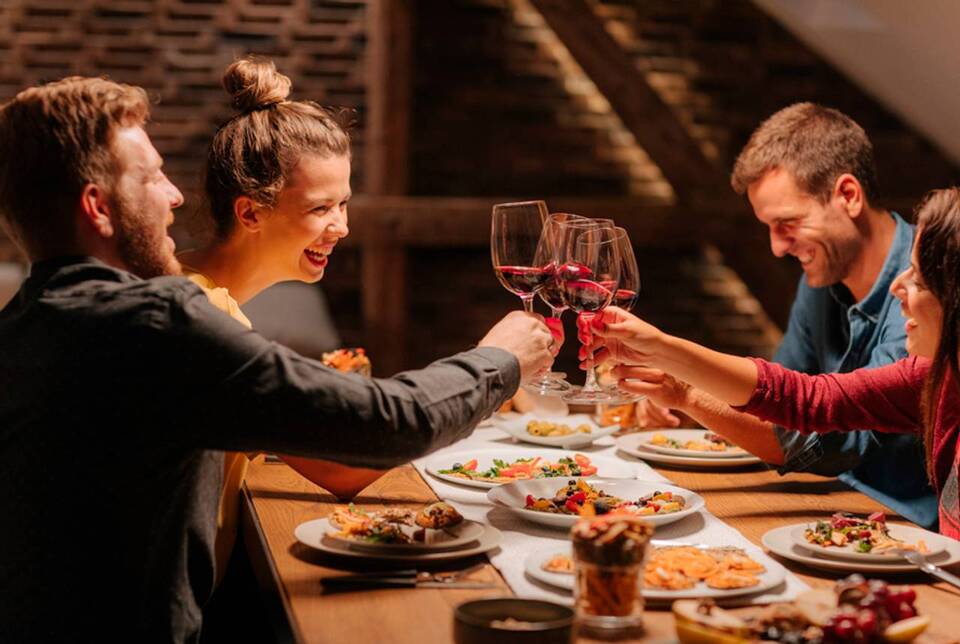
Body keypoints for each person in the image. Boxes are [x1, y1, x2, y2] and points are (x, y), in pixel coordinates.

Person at [0, 76, 555, 642]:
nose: (176, 195)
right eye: (151, 177)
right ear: (97, 207)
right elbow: (391, 424)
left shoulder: (24, 322)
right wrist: (500, 358)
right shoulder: (156, 323)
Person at [584, 187, 960, 538]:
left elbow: (824, 441)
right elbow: (802, 398)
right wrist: (662, 350)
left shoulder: (925, 363)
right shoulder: (933, 374)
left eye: (921, 282)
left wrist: (679, 380)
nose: (899, 285)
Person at [628, 103, 936, 528]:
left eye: (788, 223)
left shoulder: (928, 298)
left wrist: (688, 391)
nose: (776, 248)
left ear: (848, 196)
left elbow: (826, 434)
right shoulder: (821, 284)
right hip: (828, 510)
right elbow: (774, 400)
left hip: (916, 535)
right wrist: (686, 399)